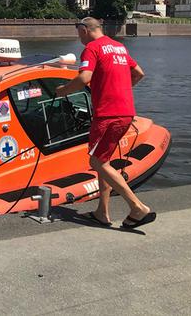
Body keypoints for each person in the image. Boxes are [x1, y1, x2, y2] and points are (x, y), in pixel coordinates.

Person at [55, 17, 156, 229]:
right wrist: (120, 91)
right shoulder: (119, 47)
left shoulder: (92, 48)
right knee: (104, 160)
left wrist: (63, 91)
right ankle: (103, 211)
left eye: (78, 32)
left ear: (84, 30)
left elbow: (84, 78)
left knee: (97, 162)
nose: (78, 37)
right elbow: (139, 73)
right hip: (126, 112)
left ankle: (137, 207)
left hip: (107, 115)